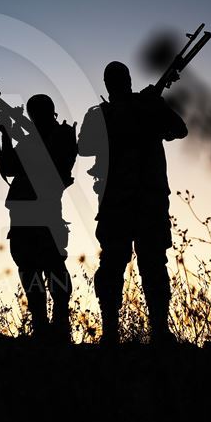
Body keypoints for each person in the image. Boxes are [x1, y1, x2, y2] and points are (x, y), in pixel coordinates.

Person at [78, 61, 187, 344]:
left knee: (145, 264)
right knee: (125, 264)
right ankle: (117, 331)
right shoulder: (103, 114)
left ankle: (156, 331)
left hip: (137, 199)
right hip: (128, 200)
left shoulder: (140, 106)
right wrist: (144, 109)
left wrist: (153, 106)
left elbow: (178, 129)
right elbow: (84, 146)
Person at [0, 94, 77, 340]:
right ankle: (41, 325)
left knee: (54, 266)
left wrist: (16, 131)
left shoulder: (61, 135)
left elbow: (58, 160)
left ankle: (60, 322)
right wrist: (7, 134)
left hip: (45, 210)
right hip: (23, 211)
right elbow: (9, 166)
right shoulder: (32, 140)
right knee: (29, 268)